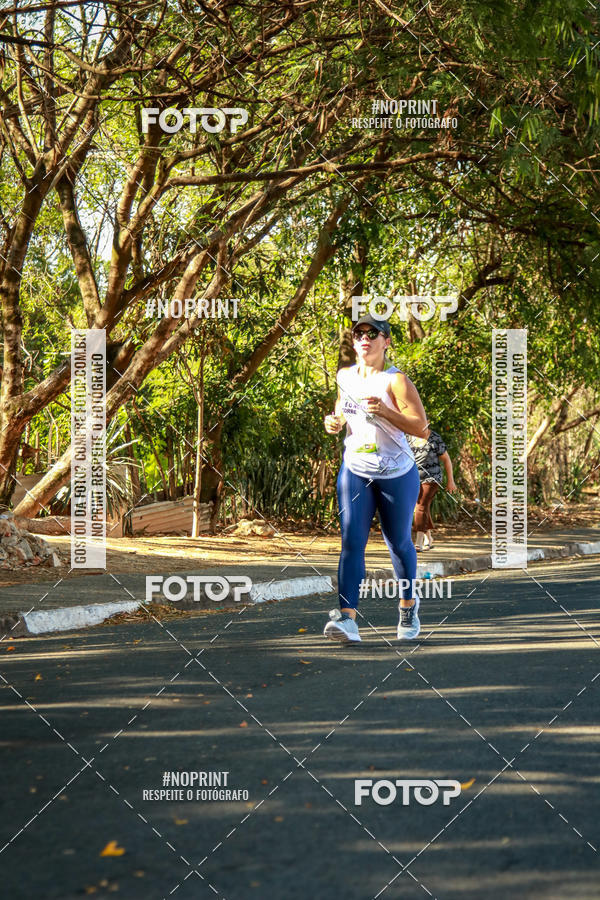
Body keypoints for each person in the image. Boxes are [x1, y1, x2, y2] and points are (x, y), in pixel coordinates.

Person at [323, 314, 429, 644]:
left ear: (386, 342)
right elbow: (342, 408)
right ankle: (347, 620)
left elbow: (421, 429)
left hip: (396, 472)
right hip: (356, 469)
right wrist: (335, 421)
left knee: (398, 542)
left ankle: (408, 606)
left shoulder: (395, 381)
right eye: (359, 333)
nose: (364, 338)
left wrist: (385, 412)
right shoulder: (345, 375)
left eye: (373, 333)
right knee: (352, 542)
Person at [407, 430, 456, 550]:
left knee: (421, 505)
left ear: (426, 422)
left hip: (432, 478)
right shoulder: (408, 437)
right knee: (422, 508)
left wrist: (451, 481)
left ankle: (418, 542)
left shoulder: (434, 438)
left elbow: (446, 459)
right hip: (413, 477)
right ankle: (429, 537)